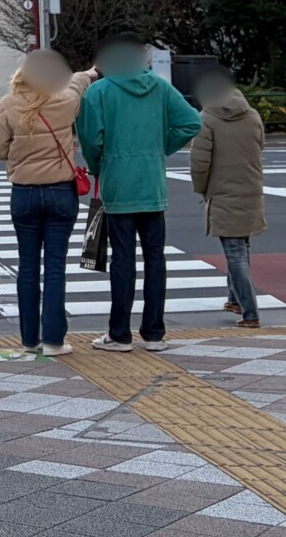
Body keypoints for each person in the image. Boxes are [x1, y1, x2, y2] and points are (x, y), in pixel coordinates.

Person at [73, 31, 201, 351]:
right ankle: (154, 333)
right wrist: (160, 148)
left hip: (118, 184)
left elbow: (90, 140)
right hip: (152, 183)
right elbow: (191, 123)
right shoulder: (159, 87)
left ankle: (119, 334)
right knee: (155, 258)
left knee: (123, 259)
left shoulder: (99, 91)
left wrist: (98, 164)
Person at [0, 47, 84, 356]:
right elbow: (78, 85)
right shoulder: (66, 100)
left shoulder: (9, 105)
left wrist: (20, 152)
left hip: (24, 194)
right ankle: (54, 341)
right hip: (61, 193)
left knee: (27, 267)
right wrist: (88, 73)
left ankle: (29, 340)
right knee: (55, 267)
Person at [188, 71, 267, 329]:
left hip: (223, 191)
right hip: (251, 189)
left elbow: (200, 162)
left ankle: (250, 311)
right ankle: (234, 299)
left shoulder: (207, 119)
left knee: (235, 252)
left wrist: (201, 189)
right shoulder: (253, 115)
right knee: (242, 245)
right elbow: (261, 145)